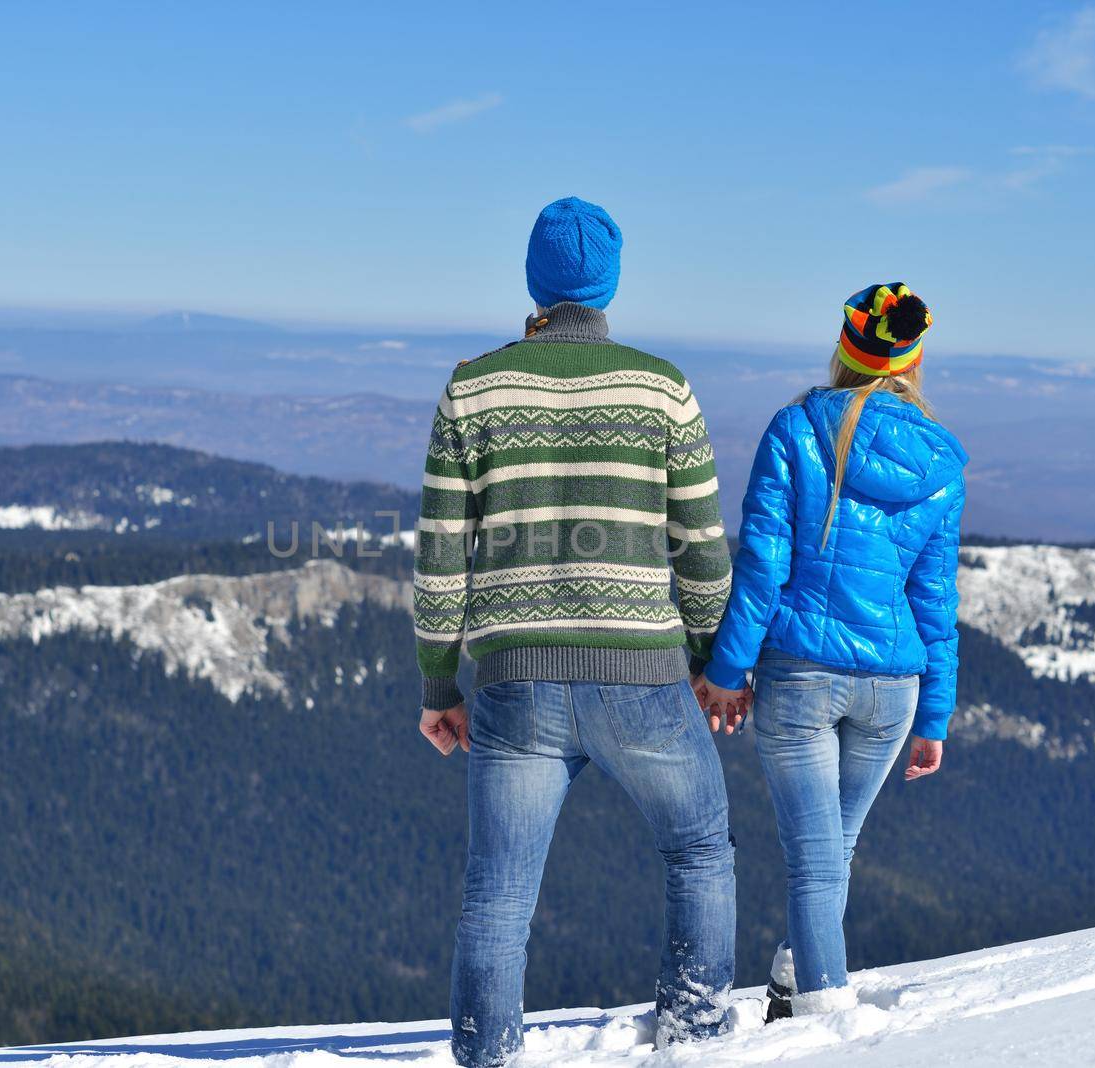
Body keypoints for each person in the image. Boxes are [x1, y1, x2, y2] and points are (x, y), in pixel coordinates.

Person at [413, 197, 736, 1066]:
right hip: (644, 675)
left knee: (497, 900)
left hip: (514, 678)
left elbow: (443, 554)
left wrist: (439, 687)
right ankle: (696, 1039)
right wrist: (713, 661)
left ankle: (487, 1058)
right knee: (699, 848)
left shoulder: (474, 385)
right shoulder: (660, 385)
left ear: (534, 282)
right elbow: (700, 547)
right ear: (610, 285)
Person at [695, 282, 966, 1019]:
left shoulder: (795, 429)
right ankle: (792, 977)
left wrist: (726, 669)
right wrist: (934, 715)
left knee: (816, 860)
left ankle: (824, 1023)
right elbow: (935, 603)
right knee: (831, 853)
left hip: (802, 677)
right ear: (910, 362)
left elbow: (761, 564)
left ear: (846, 351)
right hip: (893, 688)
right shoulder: (941, 463)